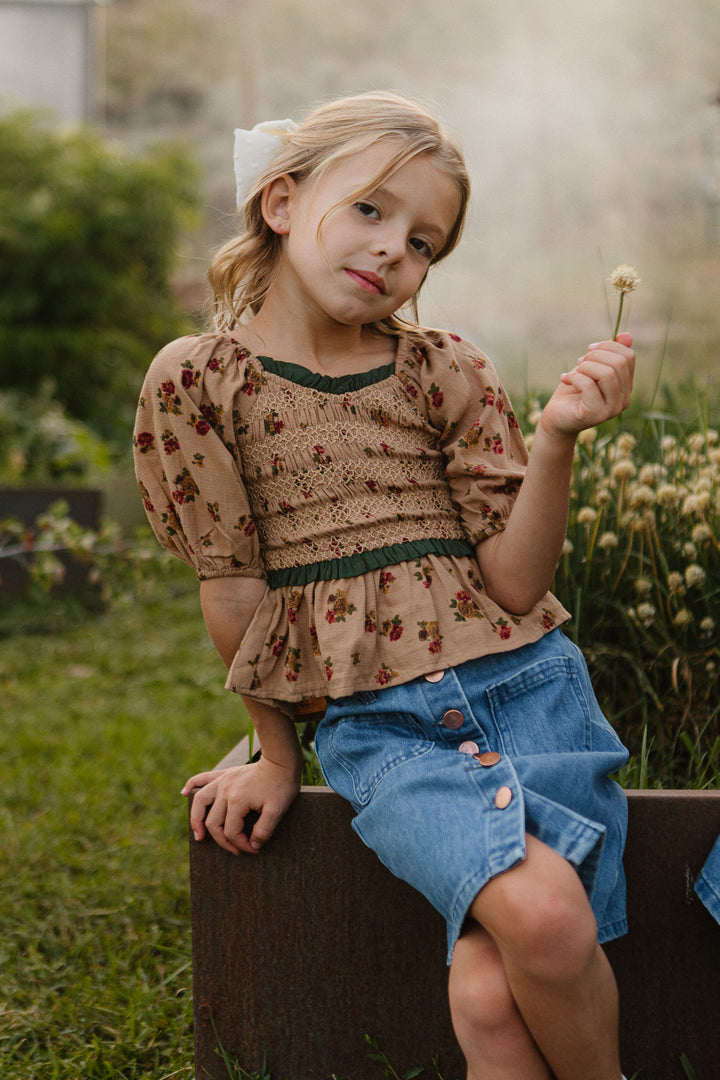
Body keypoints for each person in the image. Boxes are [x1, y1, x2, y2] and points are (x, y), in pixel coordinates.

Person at [133, 91, 635, 1080]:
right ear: (281, 202)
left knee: (491, 998)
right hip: (387, 733)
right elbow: (234, 590)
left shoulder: (442, 371)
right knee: (541, 912)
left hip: (532, 695)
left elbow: (513, 580)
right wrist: (275, 754)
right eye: (370, 209)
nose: (395, 248)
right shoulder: (203, 384)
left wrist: (556, 439)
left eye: (424, 241)